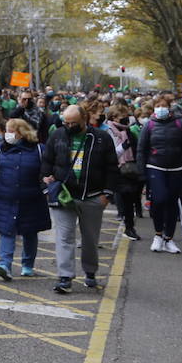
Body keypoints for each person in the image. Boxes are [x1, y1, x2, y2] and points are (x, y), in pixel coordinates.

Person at [43, 104, 118, 293]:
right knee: (64, 237)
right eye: (66, 123)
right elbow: (47, 160)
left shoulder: (101, 138)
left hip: (93, 197)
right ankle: (65, 276)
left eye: (73, 123)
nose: (69, 126)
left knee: (90, 239)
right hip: (64, 195)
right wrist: (46, 179)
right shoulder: (57, 135)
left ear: (85, 119)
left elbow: (112, 167)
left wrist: (107, 194)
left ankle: (90, 272)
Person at [0, 118, 49, 280]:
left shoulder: (39, 149)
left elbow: (46, 170)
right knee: (6, 230)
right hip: (6, 198)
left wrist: (47, 185)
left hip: (31, 198)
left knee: (30, 232)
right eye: (7, 131)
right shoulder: (0, 149)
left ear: (21, 132)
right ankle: (4, 264)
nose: (7, 134)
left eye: (11, 131)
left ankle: (27, 265)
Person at [136, 93, 182, 253]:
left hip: (176, 168)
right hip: (155, 167)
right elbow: (141, 150)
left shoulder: (180, 123)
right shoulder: (149, 125)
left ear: (169, 107)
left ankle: (169, 239)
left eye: (164, 106)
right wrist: (141, 171)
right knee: (159, 199)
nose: (161, 109)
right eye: (158, 106)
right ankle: (158, 234)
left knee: (172, 203)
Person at [104, 104, 143, 241]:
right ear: (114, 117)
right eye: (123, 117)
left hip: (129, 170)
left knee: (129, 198)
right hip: (115, 169)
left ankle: (129, 227)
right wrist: (122, 147)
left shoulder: (129, 132)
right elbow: (108, 153)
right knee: (123, 196)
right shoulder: (108, 131)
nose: (126, 120)